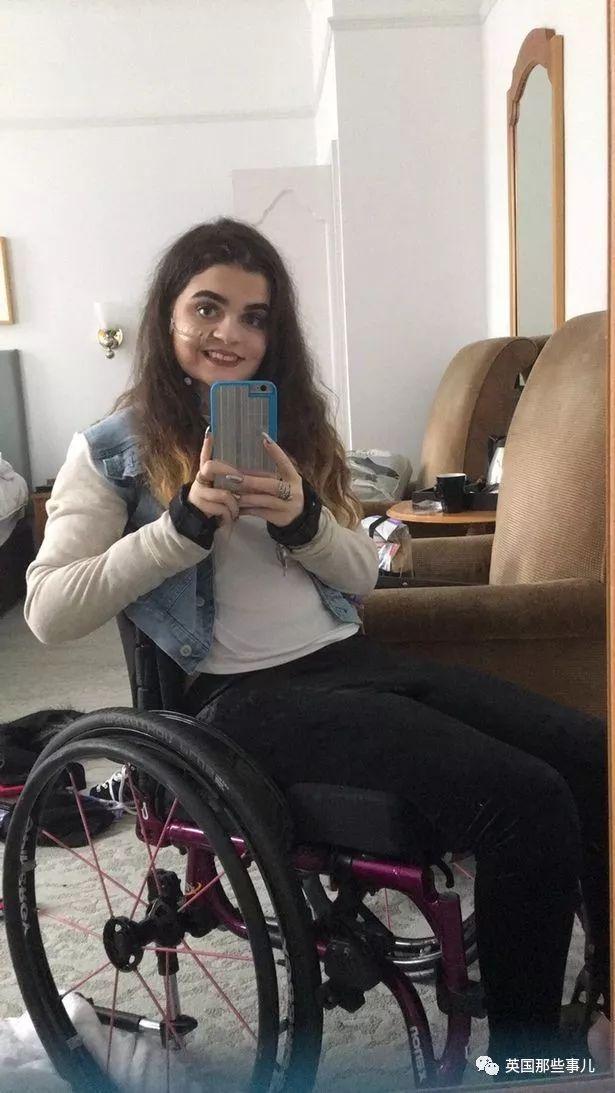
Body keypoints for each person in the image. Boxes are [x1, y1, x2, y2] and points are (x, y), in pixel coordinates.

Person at [24, 218, 608, 1073]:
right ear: (167, 316)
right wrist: (179, 529)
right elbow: (47, 610)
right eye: (207, 308)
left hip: (347, 661)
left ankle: (603, 998)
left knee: (590, 750)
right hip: (234, 702)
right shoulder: (113, 450)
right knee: (522, 797)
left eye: (254, 316)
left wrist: (301, 517)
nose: (230, 333)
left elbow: (360, 574)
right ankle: (527, 1061)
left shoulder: (292, 428)